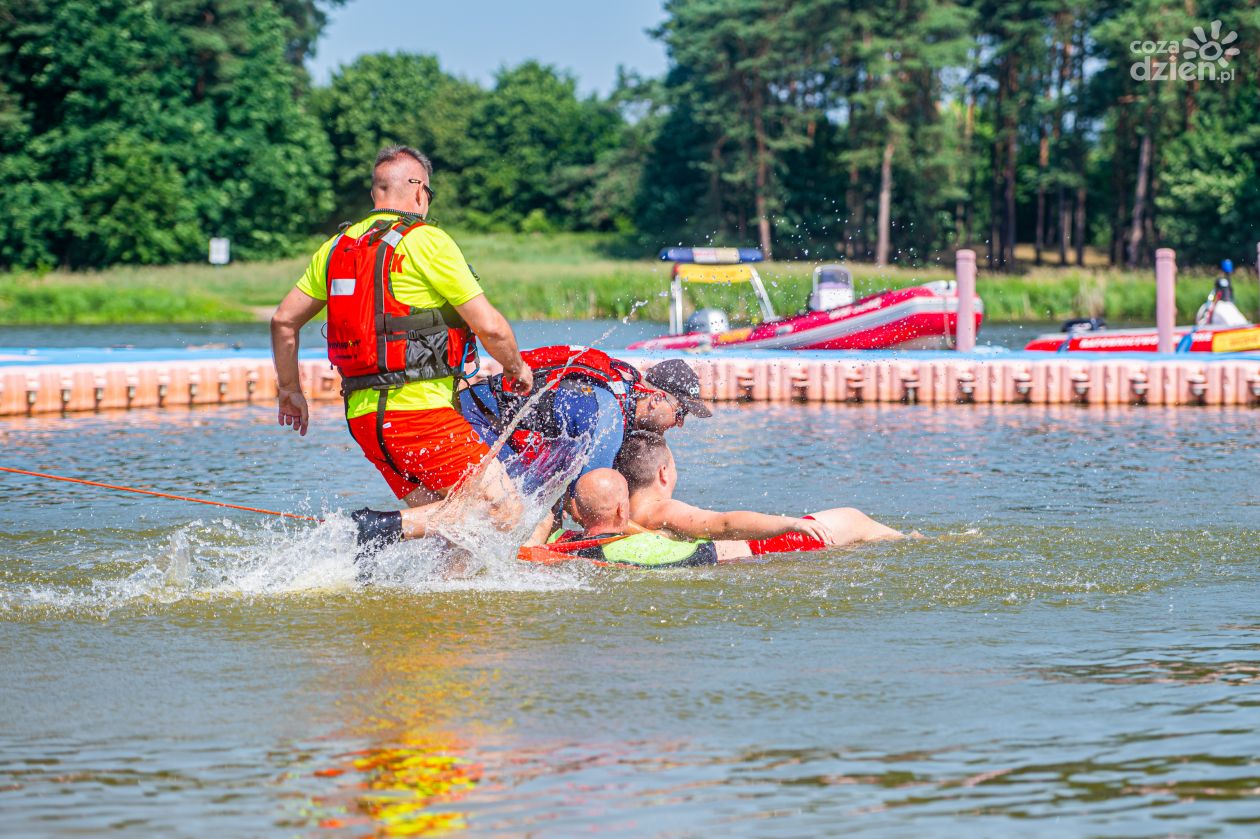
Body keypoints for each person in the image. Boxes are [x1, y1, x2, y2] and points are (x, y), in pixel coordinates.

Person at [270, 145, 532, 552]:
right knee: (504, 512)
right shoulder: (427, 241)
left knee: (458, 531)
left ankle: (436, 610)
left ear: (376, 194)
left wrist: (289, 390)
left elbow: (283, 321)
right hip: (420, 415)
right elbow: (491, 327)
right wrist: (516, 368)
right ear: (419, 191)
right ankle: (375, 528)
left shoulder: (337, 247)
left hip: (364, 421)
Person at [613, 431, 904, 552]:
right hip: (758, 549)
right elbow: (724, 524)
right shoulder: (663, 510)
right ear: (663, 473)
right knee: (857, 520)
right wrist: (792, 523)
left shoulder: (621, 513)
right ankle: (915, 542)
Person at [460, 350, 709, 489]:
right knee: (511, 501)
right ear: (655, 399)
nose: (680, 423)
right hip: (476, 419)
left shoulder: (619, 393)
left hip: (479, 411)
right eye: (681, 412)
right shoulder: (608, 418)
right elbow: (590, 501)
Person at [546, 469, 744, 567]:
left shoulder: (557, 540)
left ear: (577, 511)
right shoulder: (644, 546)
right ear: (622, 510)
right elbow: (705, 551)